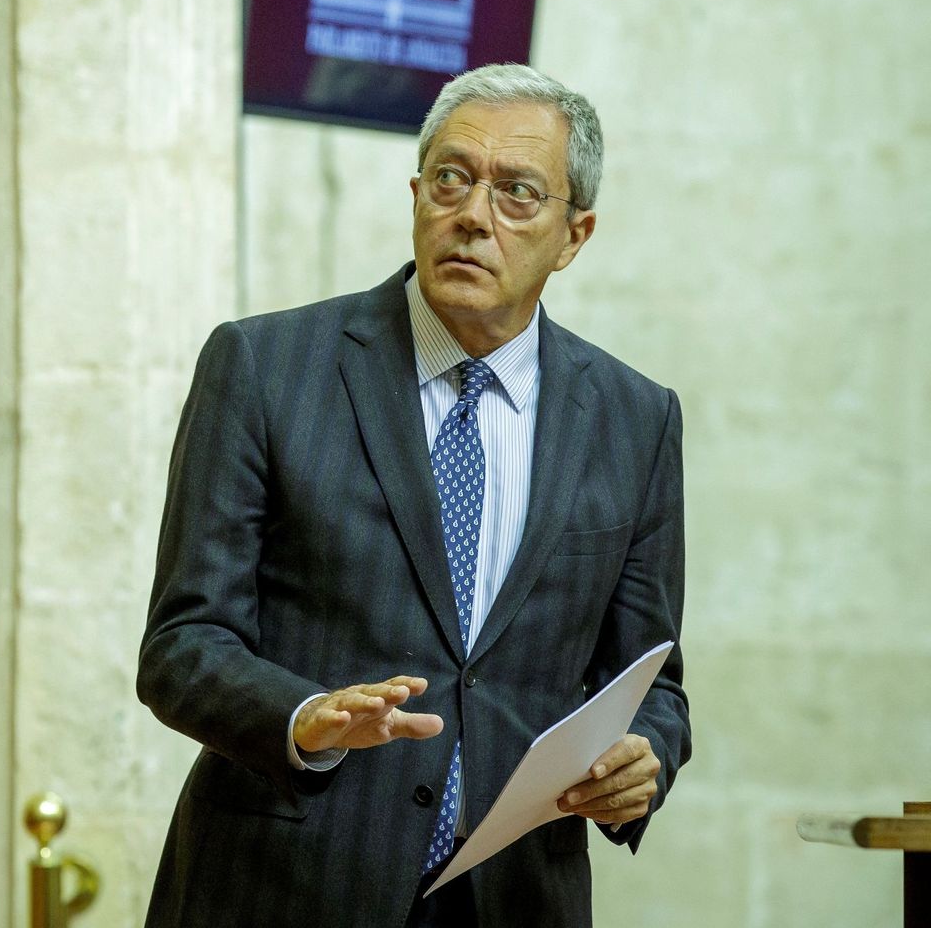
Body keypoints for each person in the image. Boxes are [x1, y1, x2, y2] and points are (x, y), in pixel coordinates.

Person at [137, 63, 689, 927]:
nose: (474, 214)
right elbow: (182, 644)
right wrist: (306, 715)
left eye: (516, 193)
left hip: (513, 897)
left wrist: (644, 758)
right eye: (452, 179)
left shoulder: (635, 419)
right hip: (285, 888)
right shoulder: (264, 368)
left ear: (574, 234)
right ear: (417, 194)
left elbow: (651, 680)